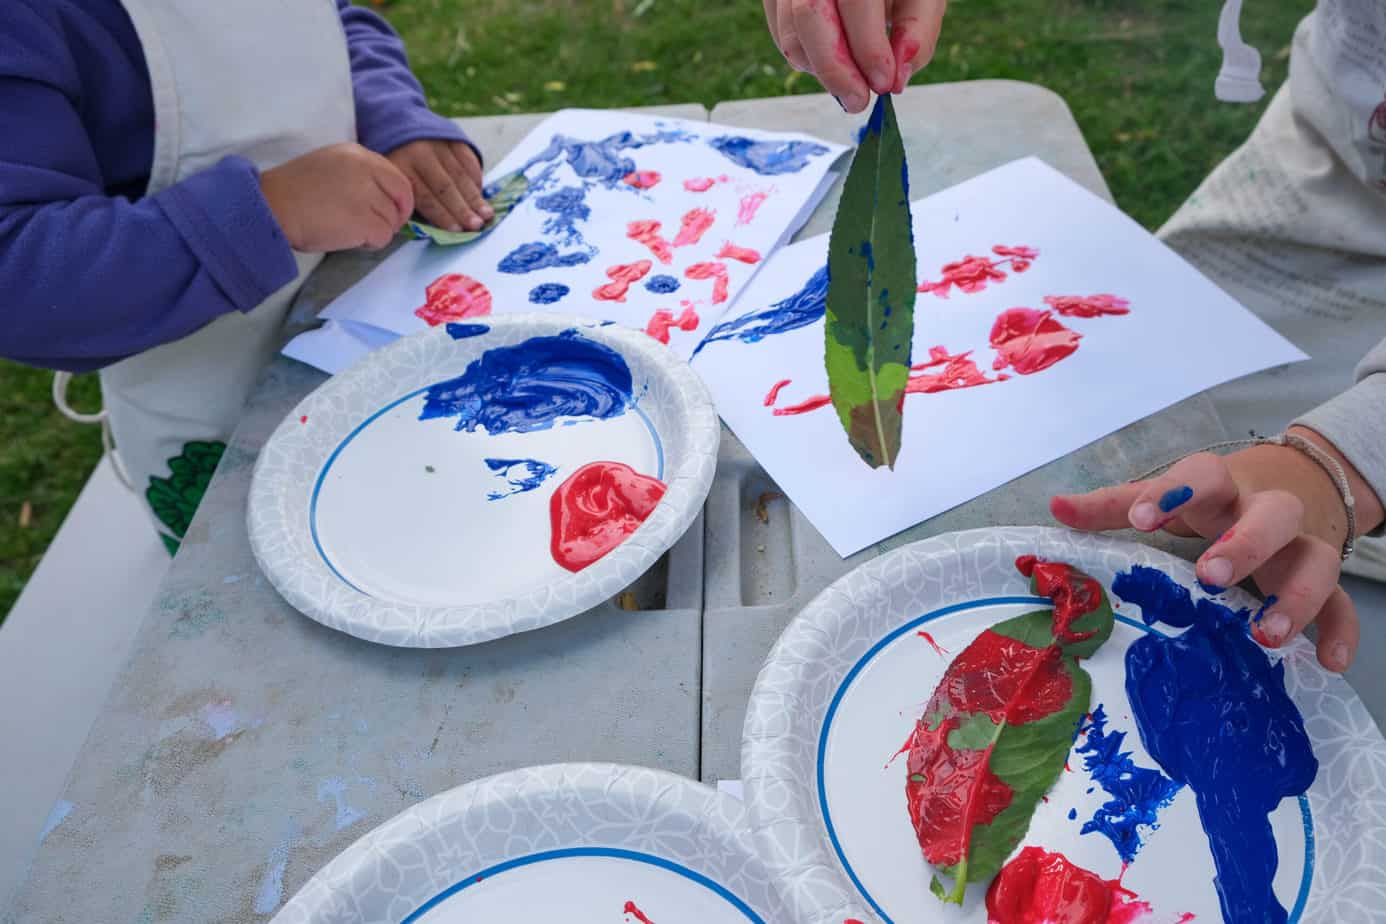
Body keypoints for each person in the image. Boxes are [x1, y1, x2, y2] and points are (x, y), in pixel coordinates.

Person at [762, 0, 1386, 672]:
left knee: (1279, 586)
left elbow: (1314, 490)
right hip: (1339, 152)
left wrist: (1339, 465)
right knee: (1141, 409)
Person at [0, 0, 490, 553]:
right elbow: (18, 271)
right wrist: (268, 213)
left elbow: (331, 25)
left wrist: (391, 116)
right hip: (216, 408)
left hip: (372, 325)